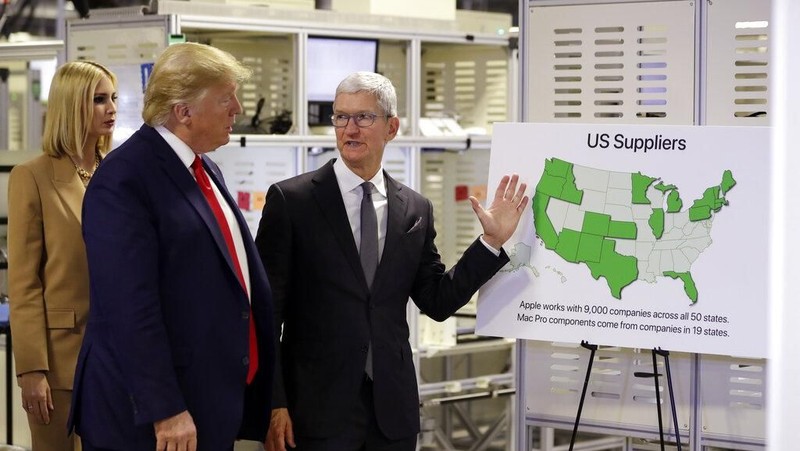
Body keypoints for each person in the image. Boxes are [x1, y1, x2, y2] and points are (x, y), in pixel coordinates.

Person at [255, 71, 528, 451]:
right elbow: (264, 315)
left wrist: (491, 242)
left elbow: (436, 300)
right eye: (340, 117)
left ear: (392, 127)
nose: (350, 128)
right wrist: (273, 403)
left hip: (392, 412)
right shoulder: (292, 201)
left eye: (364, 117)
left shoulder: (414, 208)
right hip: (313, 411)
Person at [69, 42, 276, 450]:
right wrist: (165, 409)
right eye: (225, 98)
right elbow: (129, 307)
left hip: (205, 403)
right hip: (150, 421)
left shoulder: (204, 167)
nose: (237, 108)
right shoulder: (124, 179)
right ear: (184, 112)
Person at [7, 60, 117, 451]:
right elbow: (23, 282)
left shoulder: (118, 172)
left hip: (117, 358)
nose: (112, 109)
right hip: (59, 362)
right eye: (99, 99)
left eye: (113, 98)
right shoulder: (32, 176)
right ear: (72, 105)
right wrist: (32, 370)